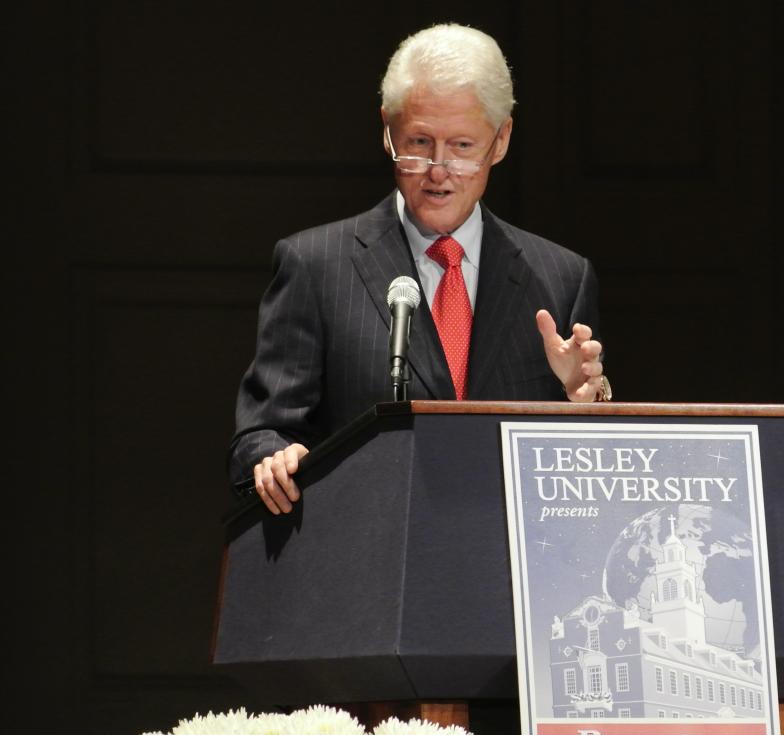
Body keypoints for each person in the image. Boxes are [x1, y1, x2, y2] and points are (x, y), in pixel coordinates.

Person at [230, 24, 610, 515]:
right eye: (418, 142)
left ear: (501, 140)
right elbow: (260, 434)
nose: (437, 169)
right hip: (365, 550)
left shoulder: (562, 277)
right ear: (387, 130)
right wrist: (273, 459)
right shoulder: (315, 266)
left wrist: (587, 404)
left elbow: (590, 474)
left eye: (462, 148)